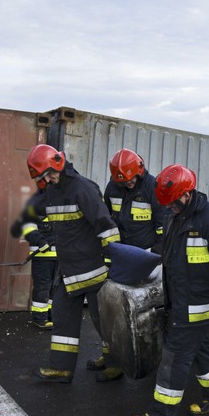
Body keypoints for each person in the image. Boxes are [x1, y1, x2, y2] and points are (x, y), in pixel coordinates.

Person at [128, 164, 209, 416]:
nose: (169, 208)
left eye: (172, 203)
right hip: (183, 300)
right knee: (199, 350)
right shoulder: (174, 216)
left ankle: (162, 413)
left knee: (175, 356)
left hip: (200, 303)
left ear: (186, 194)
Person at [16, 144, 122, 384]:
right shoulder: (52, 192)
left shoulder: (83, 188)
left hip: (93, 270)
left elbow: (106, 226)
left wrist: (110, 262)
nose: (49, 179)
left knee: (102, 320)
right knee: (62, 317)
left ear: (59, 163)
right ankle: (62, 368)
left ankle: (115, 364)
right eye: (43, 178)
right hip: (68, 271)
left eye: (50, 174)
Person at [86, 149, 170, 377]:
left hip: (148, 258)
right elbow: (108, 222)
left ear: (140, 172)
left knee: (146, 313)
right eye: (124, 181)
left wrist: (154, 256)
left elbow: (165, 229)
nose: (129, 184)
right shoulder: (113, 187)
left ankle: (144, 359)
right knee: (114, 308)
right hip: (122, 256)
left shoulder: (153, 188)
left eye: (132, 179)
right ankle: (114, 357)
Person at [11, 177, 57, 330]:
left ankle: (50, 316)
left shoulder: (58, 203)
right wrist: (41, 241)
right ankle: (39, 318)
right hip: (42, 255)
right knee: (43, 287)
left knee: (54, 289)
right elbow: (28, 228)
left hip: (58, 256)